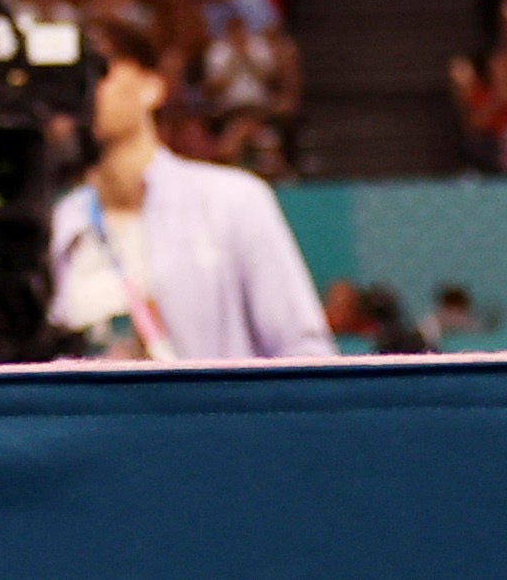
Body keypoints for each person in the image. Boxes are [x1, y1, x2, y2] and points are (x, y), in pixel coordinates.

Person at [48, 29, 333, 359]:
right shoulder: (59, 224)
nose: (86, 93)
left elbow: (304, 351)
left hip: (214, 409)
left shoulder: (233, 201)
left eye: (100, 72)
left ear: (151, 86)